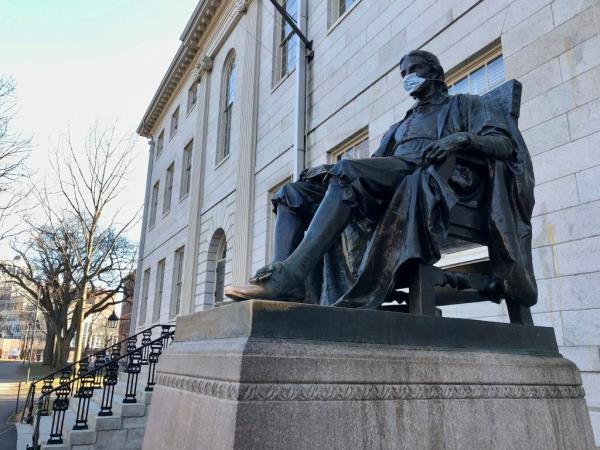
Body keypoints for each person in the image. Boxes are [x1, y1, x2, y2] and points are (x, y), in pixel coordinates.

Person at [225, 50, 536, 310]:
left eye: (415, 69)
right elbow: (374, 166)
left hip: (441, 182)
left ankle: (292, 273)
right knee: (292, 193)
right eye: (403, 74)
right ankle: (284, 281)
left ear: (436, 73)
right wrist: (326, 172)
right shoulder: (400, 125)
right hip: (394, 183)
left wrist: (461, 139)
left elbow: (504, 144)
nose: (408, 78)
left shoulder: (466, 104)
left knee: (347, 171)